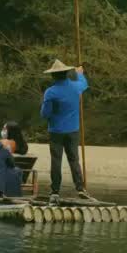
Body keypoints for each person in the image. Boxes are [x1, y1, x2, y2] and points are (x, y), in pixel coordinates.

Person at [41, 60, 92, 202]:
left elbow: (45, 114)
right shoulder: (76, 87)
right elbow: (84, 84)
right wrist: (79, 73)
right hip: (73, 130)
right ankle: (80, 188)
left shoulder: (51, 92)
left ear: (53, 76)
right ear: (66, 74)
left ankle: (55, 191)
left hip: (56, 131)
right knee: (74, 159)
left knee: (56, 160)